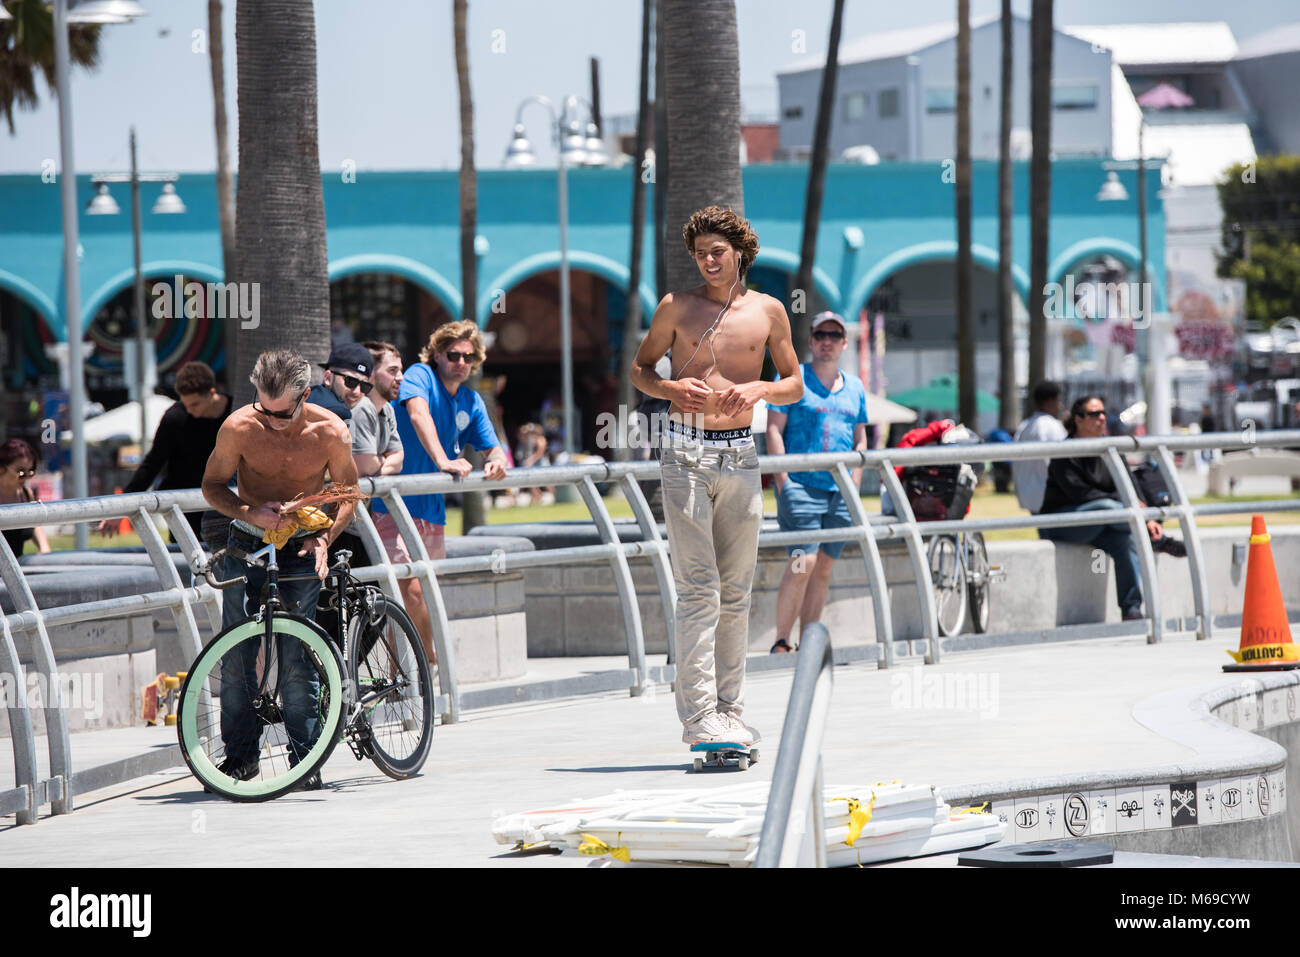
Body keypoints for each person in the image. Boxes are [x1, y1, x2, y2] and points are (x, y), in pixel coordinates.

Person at [630, 205, 802, 747]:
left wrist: (759, 390)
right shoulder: (675, 307)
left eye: (717, 251)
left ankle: (730, 709)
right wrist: (670, 390)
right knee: (699, 588)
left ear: (740, 253)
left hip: (740, 456)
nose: (707, 260)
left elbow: (795, 383)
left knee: (737, 591)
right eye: (700, 252)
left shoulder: (770, 312)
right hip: (683, 455)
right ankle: (698, 715)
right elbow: (641, 370)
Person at [200, 349, 360, 789]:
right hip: (247, 539)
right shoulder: (239, 427)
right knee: (235, 653)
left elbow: (349, 492)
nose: (271, 422)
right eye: (263, 411)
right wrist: (250, 512)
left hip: (301, 546)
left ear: (306, 395)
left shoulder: (330, 431)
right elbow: (211, 486)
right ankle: (240, 759)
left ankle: (304, 761)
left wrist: (324, 538)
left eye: (282, 415)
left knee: (296, 652)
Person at [371, 320, 509, 665]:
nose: (461, 363)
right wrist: (443, 459)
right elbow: (418, 415)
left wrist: (496, 462)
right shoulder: (419, 375)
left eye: (468, 357)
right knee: (410, 593)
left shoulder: (471, 399)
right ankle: (428, 664)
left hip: (431, 509)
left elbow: (492, 447)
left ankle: (405, 675)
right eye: (453, 355)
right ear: (437, 354)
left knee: (426, 594)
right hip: (390, 504)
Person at [765, 311, 868, 653]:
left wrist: (853, 484)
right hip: (800, 487)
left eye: (834, 336)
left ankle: (808, 642)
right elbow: (774, 430)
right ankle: (781, 640)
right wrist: (784, 482)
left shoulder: (855, 387)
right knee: (801, 563)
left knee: (823, 566)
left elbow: (860, 439)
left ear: (843, 343)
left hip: (840, 493)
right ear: (810, 342)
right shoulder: (792, 379)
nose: (827, 342)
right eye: (820, 335)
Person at [1038, 395, 1178, 623]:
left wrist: (1144, 512)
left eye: (1103, 413)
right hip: (1064, 523)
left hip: (1105, 522)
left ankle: (1132, 611)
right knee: (1106, 507)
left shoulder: (1111, 449)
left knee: (1126, 541)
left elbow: (1131, 488)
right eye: (1094, 414)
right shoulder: (1064, 452)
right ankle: (1154, 539)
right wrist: (1132, 509)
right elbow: (1083, 495)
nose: (1102, 418)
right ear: (1078, 420)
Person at [97, 361, 232, 540]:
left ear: (212, 393)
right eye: (186, 405)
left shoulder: (234, 412)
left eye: (195, 404)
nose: (190, 411)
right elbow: (151, 465)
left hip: (225, 503)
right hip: (185, 508)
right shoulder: (175, 418)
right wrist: (122, 506)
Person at [1012, 380, 1068, 514]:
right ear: (1050, 401)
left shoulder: (1024, 426)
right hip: (1050, 495)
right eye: (1058, 400)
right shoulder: (1053, 426)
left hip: (1028, 493)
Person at [0, 438, 51, 556]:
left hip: (16, 571)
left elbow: (35, 525)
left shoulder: (26, 495)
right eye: (21, 472)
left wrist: (44, 549)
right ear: (1, 468)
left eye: (31, 471)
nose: (27, 477)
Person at [307, 342, 374, 426]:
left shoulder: (310, 395)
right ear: (328, 378)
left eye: (364, 386)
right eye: (350, 381)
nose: (356, 392)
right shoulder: (339, 412)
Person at [514, 423, 550, 505]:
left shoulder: (540, 439)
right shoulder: (526, 440)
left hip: (541, 462)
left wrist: (530, 460)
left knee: (548, 482)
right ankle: (536, 496)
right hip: (532, 464)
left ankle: (553, 497)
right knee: (531, 480)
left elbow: (540, 453)